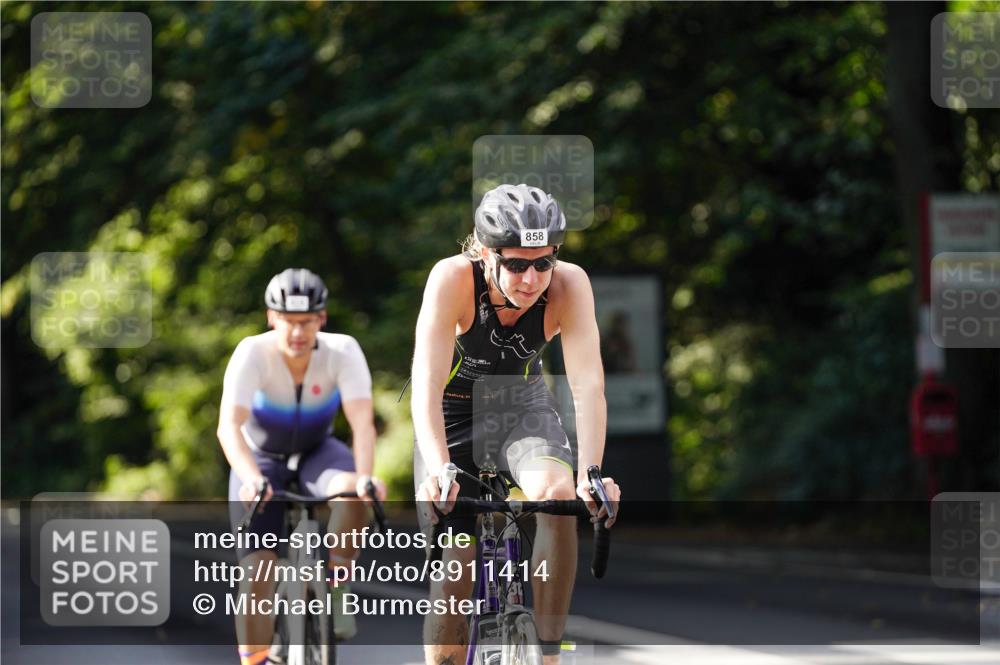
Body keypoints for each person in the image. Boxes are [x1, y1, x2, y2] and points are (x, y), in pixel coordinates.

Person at [411, 184, 621, 665]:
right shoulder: (452, 279)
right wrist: (440, 468)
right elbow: (424, 383)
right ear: (487, 254)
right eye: (516, 264)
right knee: (456, 565)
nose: (531, 279)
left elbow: (589, 386)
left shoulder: (571, 285)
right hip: (451, 419)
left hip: (520, 412)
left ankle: (547, 653)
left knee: (558, 495)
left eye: (543, 263)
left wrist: (591, 472)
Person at [217, 268, 385, 665]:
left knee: (354, 494)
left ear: (321, 319)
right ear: (271, 317)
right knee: (258, 573)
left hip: (317, 453)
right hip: (260, 458)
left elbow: (362, 423)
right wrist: (251, 477)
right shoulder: (252, 353)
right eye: (289, 322)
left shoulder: (342, 350)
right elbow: (229, 426)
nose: (297, 332)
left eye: (306, 322)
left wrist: (364, 478)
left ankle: (336, 584)